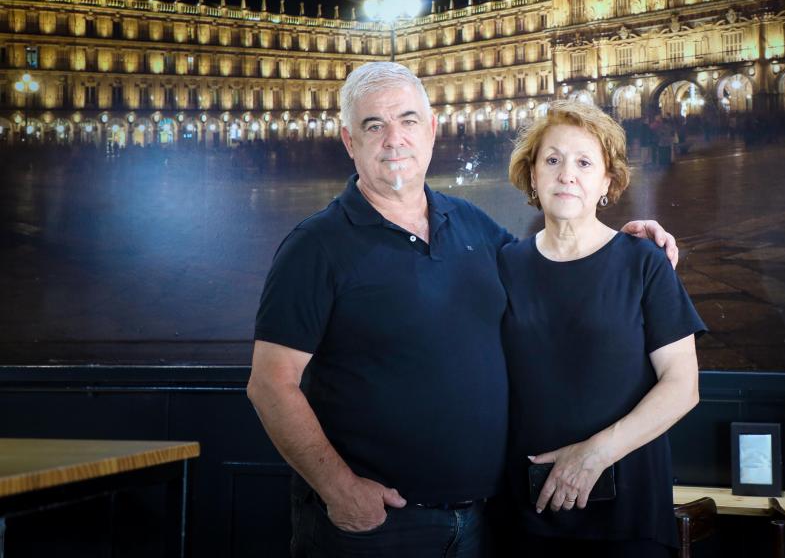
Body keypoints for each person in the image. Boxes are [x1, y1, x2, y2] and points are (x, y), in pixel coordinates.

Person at [246, 62, 679, 558]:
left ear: (431, 130)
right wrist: (339, 489)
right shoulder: (315, 245)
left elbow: (552, 264)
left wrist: (623, 244)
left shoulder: (471, 223)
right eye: (374, 125)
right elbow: (269, 384)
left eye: (408, 120)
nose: (394, 138)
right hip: (379, 527)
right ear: (350, 140)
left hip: (484, 521)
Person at [500, 100, 705, 558]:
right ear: (532, 175)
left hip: (628, 515)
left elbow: (682, 386)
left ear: (607, 182)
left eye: (584, 163)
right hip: (527, 515)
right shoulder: (504, 264)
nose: (566, 175)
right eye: (552, 160)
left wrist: (592, 456)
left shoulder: (644, 261)